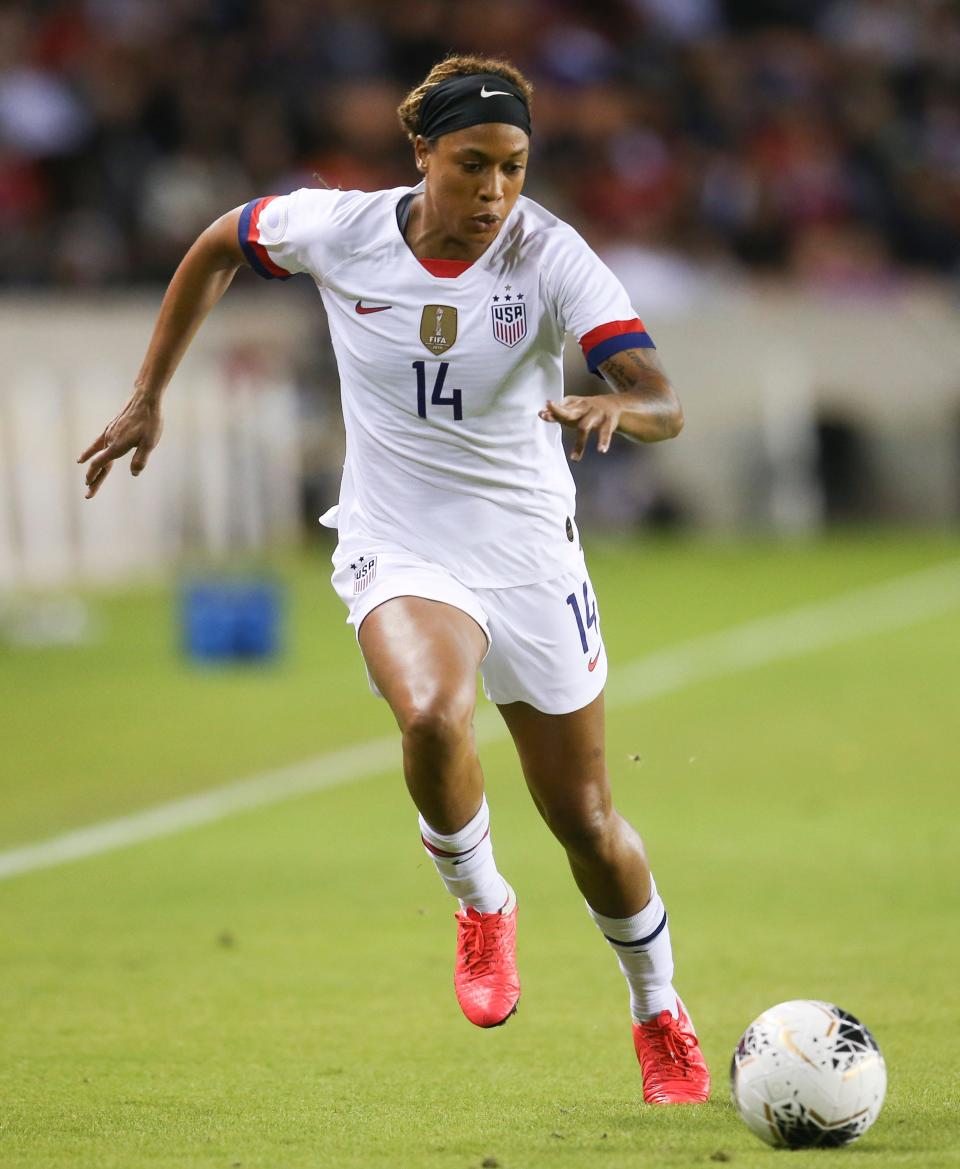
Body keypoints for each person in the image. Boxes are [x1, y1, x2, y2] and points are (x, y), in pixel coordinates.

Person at [78, 54, 710, 1105]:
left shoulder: (551, 254)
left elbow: (663, 395)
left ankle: (658, 1007)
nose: (495, 192)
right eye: (473, 166)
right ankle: (480, 901)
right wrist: (149, 395)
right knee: (429, 713)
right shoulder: (341, 228)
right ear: (423, 153)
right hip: (400, 541)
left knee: (589, 823)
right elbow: (214, 245)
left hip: (529, 554)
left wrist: (618, 407)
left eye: (513, 167)